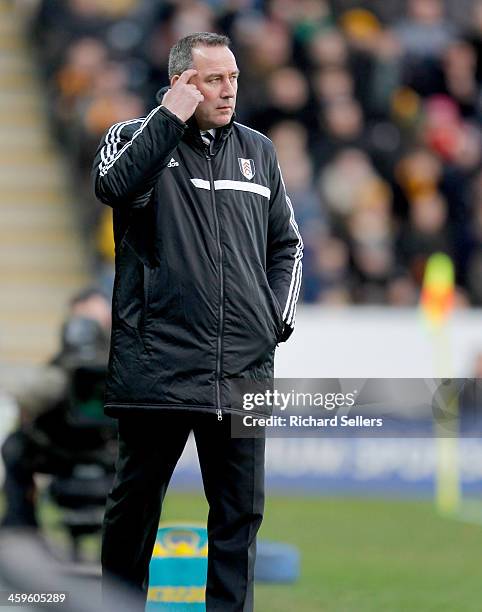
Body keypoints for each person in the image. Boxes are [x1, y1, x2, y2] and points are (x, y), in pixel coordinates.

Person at [92, 32, 303, 611]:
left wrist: (272, 320)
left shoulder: (258, 150)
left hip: (243, 371)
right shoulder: (134, 136)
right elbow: (114, 186)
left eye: (233, 77)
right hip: (158, 364)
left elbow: (288, 245)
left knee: (239, 520)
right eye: (214, 79)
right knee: (134, 511)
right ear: (182, 82)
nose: (229, 89)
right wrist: (169, 119)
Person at [0, 288, 112, 530]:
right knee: (15, 444)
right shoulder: (120, 367)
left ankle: (20, 526)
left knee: (15, 445)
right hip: (100, 453)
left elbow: (28, 399)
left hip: (76, 453)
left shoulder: (59, 373)